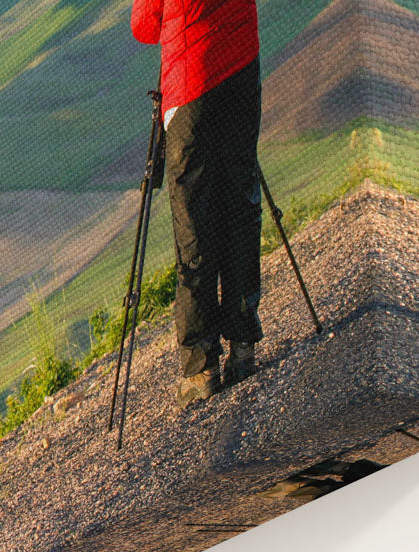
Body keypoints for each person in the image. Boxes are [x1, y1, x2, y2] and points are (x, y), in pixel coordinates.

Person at [130, 0, 264, 408]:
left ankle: (201, 366)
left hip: (191, 86)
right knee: (241, 207)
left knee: (194, 225)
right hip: (242, 69)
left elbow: (144, 25)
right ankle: (242, 346)